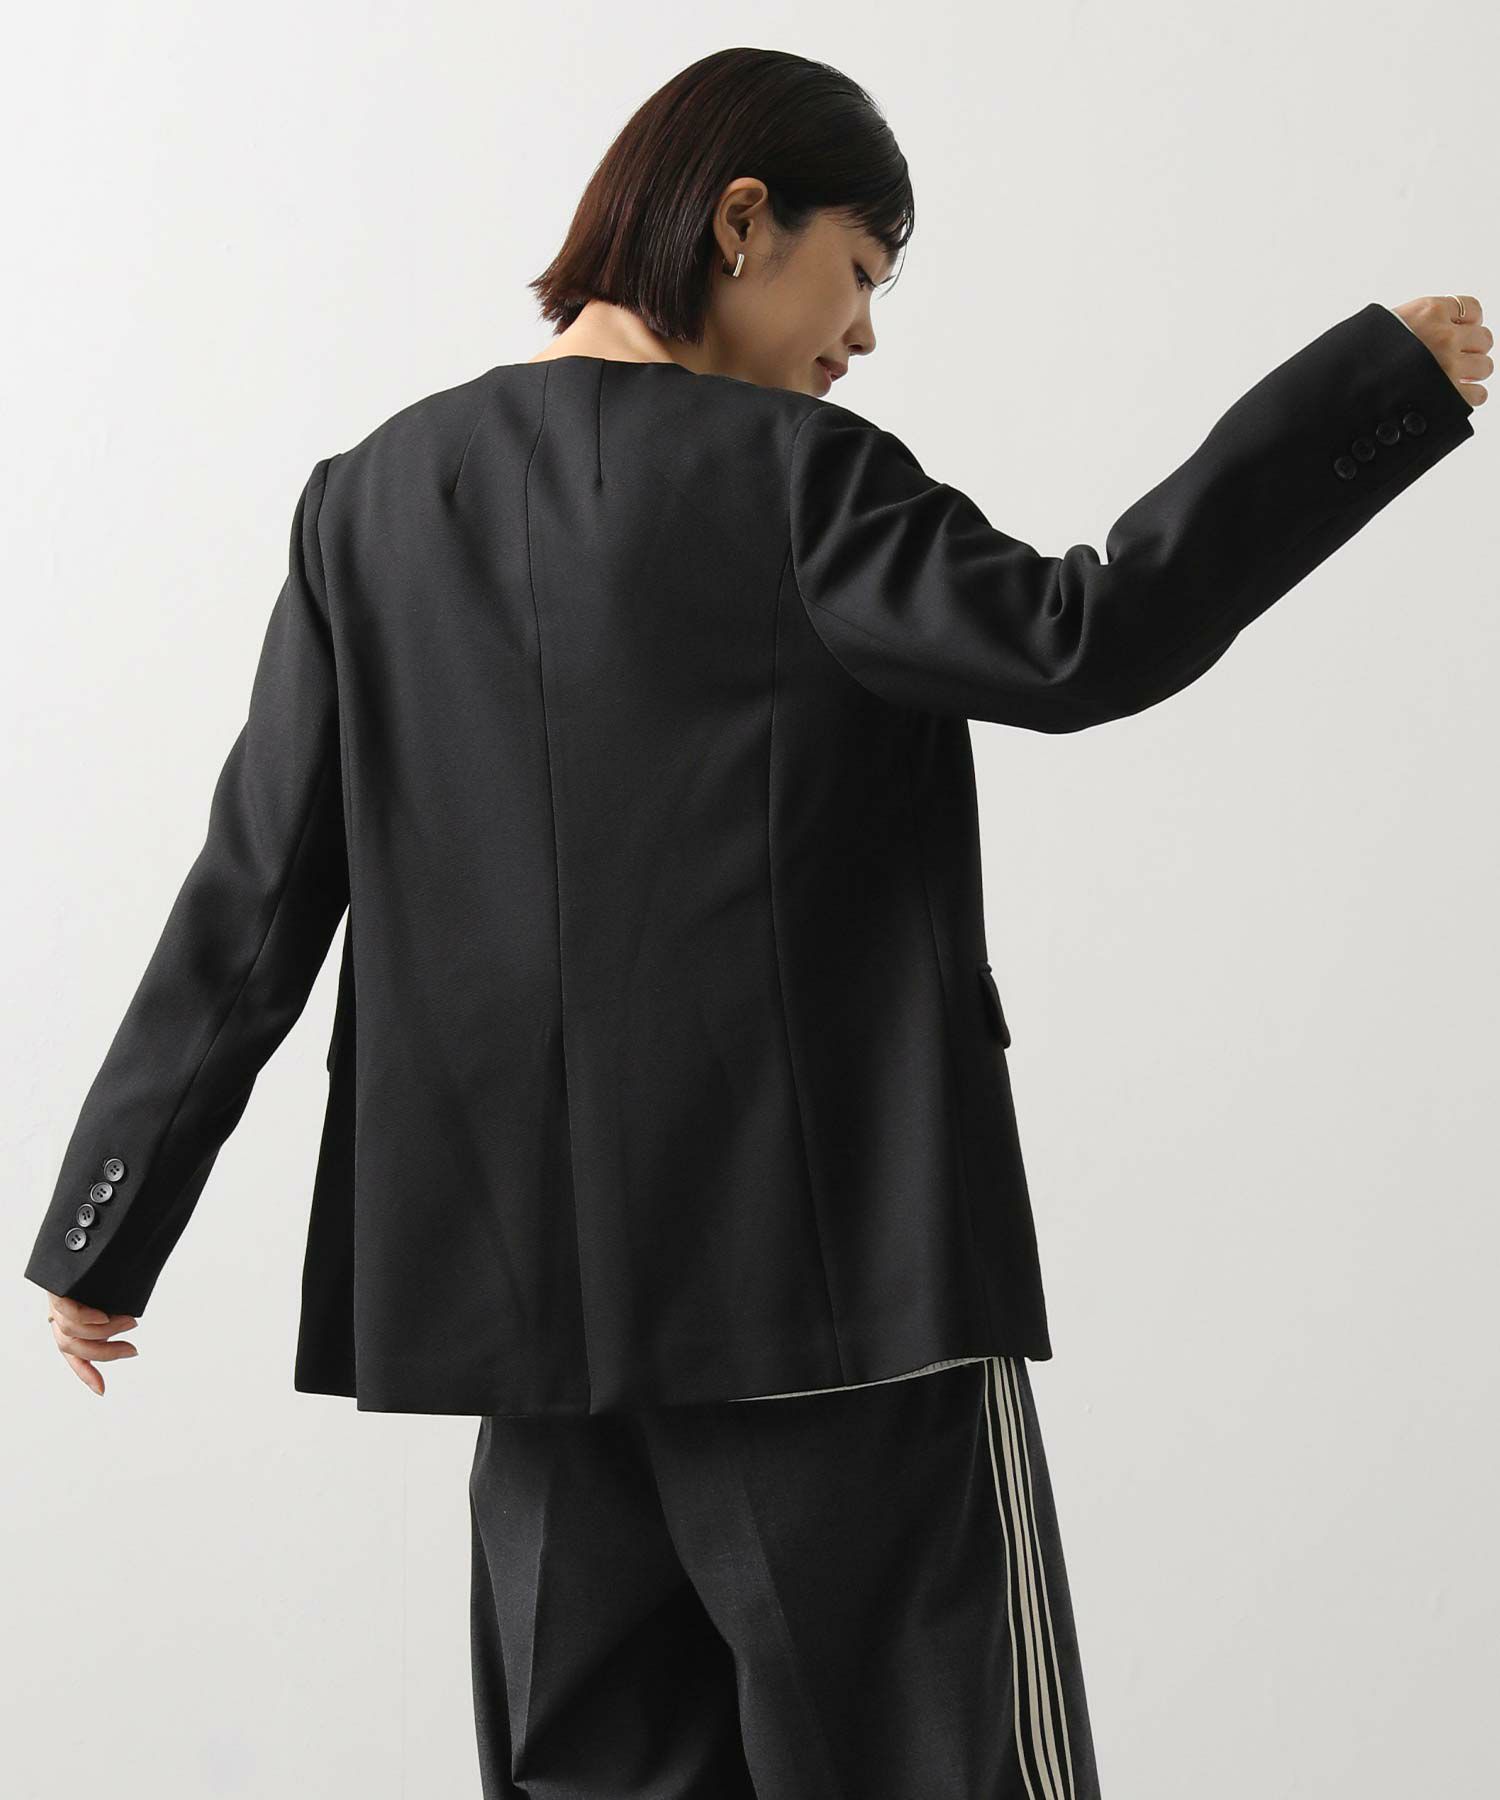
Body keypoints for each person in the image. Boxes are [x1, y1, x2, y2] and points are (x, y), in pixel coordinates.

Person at [27, 46, 1486, 1800]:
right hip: (841, 1309)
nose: (860, 334)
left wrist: (107, 1224)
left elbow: (256, 895)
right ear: (739, 222)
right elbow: (1082, 639)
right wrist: (1373, 390)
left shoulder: (373, 502)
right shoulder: (796, 477)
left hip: (534, 1349)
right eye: (858, 271)